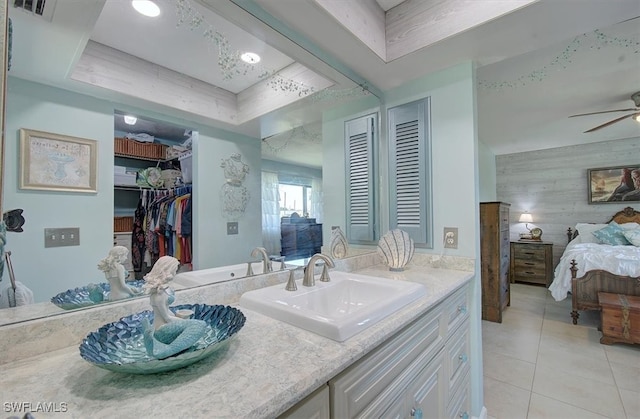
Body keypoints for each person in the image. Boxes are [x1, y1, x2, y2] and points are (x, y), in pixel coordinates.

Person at [142, 256, 206, 359]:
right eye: (174, 270)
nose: (175, 273)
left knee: (191, 324)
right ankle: (169, 350)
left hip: (161, 326)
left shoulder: (161, 290)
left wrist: (179, 319)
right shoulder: (160, 294)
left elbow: (167, 311)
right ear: (167, 270)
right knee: (199, 325)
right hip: (162, 329)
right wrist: (181, 321)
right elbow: (166, 318)